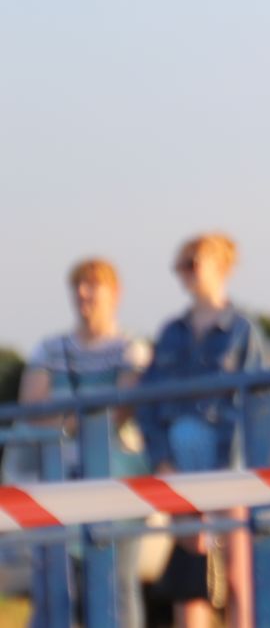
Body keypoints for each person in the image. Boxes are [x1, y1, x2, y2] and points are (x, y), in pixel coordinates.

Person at [137, 233, 264, 628]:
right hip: (179, 460)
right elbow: (149, 400)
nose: (186, 273)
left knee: (236, 574)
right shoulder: (171, 331)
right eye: (181, 265)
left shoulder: (242, 330)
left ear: (221, 266)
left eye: (193, 263)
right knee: (191, 575)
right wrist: (159, 457)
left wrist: (241, 470)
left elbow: (258, 401)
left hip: (229, 462)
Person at [16, 258, 151, 628]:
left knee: (116, 586)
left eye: (93, 284)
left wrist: (62, 419)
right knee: (51, 588)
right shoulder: (50, 347)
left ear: (115, 293)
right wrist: (87, 416)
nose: (82, 293)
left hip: (116, 484)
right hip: (57, 482)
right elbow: (31, 410)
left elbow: (123, 409)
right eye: (78, 284)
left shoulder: (131, 347)